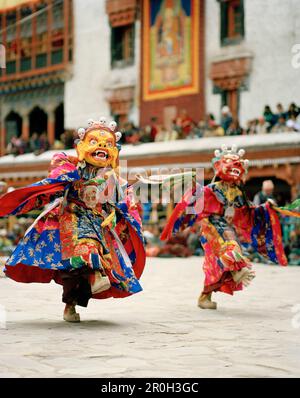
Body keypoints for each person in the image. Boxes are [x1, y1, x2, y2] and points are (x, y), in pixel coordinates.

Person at [0, 117, 146, 323]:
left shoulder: (112, 178)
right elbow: (57, 171)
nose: (102, 146)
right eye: (95, 142)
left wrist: (114, 214)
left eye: (108, 144)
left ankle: (78, 297)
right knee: (81, 256)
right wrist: (75, 165)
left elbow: (119, 203)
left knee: (86, 264)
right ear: (82, 146)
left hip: (97, 222)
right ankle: (77, 296)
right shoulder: (72, 168)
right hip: (72, 216)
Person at [160, 145, 299, 310]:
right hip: (210, 223)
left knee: (215, 264)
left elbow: (249, 211)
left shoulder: (237, 192)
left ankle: (205, 296)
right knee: (229, 243)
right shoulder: (212, 189)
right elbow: (193, 203)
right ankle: (236, 271)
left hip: (223, 224)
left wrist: (266, 207)